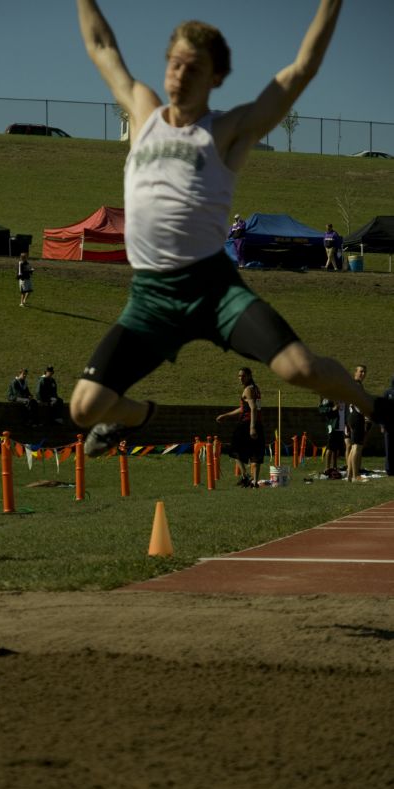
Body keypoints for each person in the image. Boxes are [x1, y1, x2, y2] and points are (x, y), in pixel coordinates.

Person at [70, 0, 394, 458]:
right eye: (174, 63)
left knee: (298, 368)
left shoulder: (225, 130)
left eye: (194, 67)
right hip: (151, 299)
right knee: (83, 407)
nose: (179, 75)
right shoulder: (143, 111)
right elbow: (101, 45)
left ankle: (375, 405)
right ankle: (137, 414)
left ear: (215, 78)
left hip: (215, 289)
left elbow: (301, 70)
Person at [216, 367, 265, 488]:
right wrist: (227, 415)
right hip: (257, 423)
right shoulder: (256, 389)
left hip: (247, 423)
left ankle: (245, 476)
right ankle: (254, 482)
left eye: (243, 376)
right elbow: (246, 407)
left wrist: (252, 427)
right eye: (239, 376)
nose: (240, 378)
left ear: (249, 376)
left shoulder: (248, 390)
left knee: (234, 448)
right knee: (256, 451)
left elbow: (253, 408)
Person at [346, 364, 372, 482]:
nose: (363, 374)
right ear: (355, 372)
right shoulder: (356, 385)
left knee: (353, 447)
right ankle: (356, 475)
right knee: (357, 446)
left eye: (364, 372)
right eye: (360, 371)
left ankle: (350, 475)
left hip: (353, 416)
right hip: (356, 416)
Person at [318, 397, 345, 476]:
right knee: (330, 446)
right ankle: (327, 468)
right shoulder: (328, 396)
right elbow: (321, 409)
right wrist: (332, 409)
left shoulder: (343, 394)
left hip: (340, 425)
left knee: (336, 448)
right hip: (332, 425)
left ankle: (334, 467)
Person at [382, 375, 394, 476]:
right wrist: (382, 424)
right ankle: (389, 469)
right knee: (388, 447)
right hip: (388, 425)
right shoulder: (387, 393)